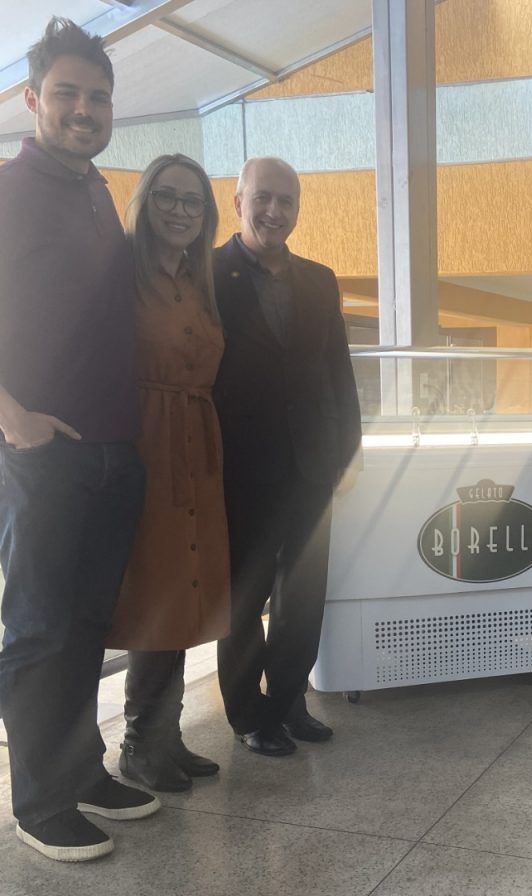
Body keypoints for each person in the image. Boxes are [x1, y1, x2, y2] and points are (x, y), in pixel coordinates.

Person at [0, 18, 159, 862]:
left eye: (98, 97)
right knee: (38, 629)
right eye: (66, 93)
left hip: (112, 449)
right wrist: (10, 415)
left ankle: (81, 770)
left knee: (90, 624)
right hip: (40, 454)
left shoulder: (98, 193)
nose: (84, 109)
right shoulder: (7, 188)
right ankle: (38, 800)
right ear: (33, 99)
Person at [213, 157, 362, 756]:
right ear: (238, 202)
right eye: (263, 198)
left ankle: (289, 701)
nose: (274, 211)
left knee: (303, 595)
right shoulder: (207, 273)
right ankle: (248, 714)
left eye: (287, 201)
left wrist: (349, 451)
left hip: (311, 463)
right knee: (243, 598)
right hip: (238, 466)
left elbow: (337, 371)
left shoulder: (320, 279)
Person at [105, 154, 229, 792]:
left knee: (186, 587)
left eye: (193, 201)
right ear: (145, 202)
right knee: (155, 590)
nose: (180, 211)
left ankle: (166, 735)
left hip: (195, 446)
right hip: (146, 444)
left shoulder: (200, 280)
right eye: (168, 197)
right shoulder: (119, 271)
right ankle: (138, 743)